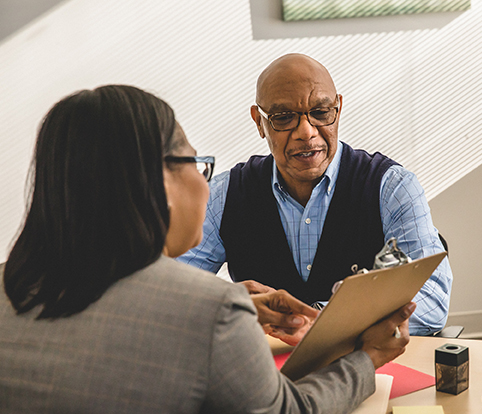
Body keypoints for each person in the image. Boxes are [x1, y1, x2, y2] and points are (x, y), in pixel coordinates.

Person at [0, 84, 415, 413]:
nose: (205, 184)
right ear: (156, 183)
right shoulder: (211, 307)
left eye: (319, 112)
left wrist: (233, 304)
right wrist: (368, 357)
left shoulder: (10, 284)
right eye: (196, 165)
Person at [178, 53, 453, 337]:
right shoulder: (224, 196)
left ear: (338, 109)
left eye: (321, 113)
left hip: (369, 366)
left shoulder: (392, 187)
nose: (306, 132)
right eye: (283, 118)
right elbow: (167, 293)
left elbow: (431, 301)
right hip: (265, 372)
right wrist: (226, 303)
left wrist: (317, 321)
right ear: (259, 123)